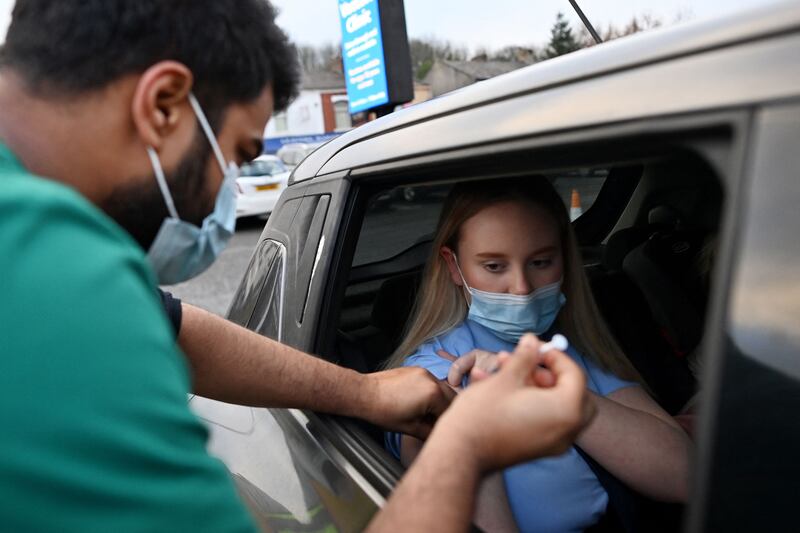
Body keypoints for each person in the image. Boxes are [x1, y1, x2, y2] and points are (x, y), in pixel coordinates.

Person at [0, 2, 592, 531]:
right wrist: (465, 447)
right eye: (236, 155)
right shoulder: (51, 274)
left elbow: (172, 331)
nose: (219, 200)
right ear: (161, 106)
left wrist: (361, 392)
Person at [385, 178, 692, 532]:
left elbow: (684, 473)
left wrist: (549, 391)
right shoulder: (436, 377)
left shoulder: (566, 349)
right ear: (454, 267)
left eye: (541, 261)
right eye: (494, 266)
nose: (522, 288)